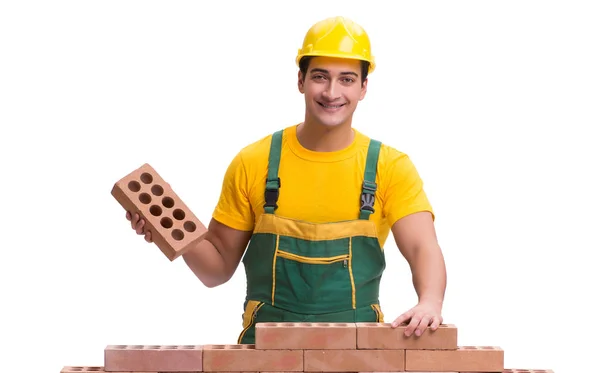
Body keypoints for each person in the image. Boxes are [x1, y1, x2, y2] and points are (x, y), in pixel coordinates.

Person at [126, 16, 447, 344]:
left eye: (347, 79)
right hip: (263, 356)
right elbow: (216, 269)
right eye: (320, 77)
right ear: (301, 80)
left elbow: (423, 246)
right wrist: (170, 231)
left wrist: (430, 301)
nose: (332, 92)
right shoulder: (255, 162)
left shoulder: (389, 167)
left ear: (364, 87)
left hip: (358, 354)